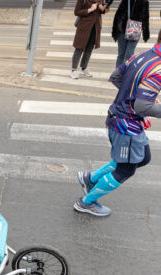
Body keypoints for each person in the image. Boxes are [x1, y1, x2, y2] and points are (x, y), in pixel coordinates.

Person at [74, 30, 161, 216]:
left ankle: (91, 179)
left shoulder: (143, 55)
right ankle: (86, 203)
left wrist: (133, 97)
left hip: (122, 120)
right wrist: (142, 102)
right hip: (126, 126)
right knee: (126, 169)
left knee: (143, 158)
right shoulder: (158, 69)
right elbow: (142, 107)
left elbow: (116, 77)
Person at [71, 0, 108, 79]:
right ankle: (73, 70)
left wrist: (103, 9)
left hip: (95, 27)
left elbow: (105, 9)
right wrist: (90, 9)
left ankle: (84, 68)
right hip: (84, 26)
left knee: (89, 48)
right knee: (79, 47)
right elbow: (76, 12)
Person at [112, 0, 149, 68]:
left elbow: (146, 18)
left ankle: (126, 75)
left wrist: (146, 33)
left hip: (135, 29)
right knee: (121, 54)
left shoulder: (144, 2)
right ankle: (117, 76)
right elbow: (118, 14)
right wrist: (115, 30)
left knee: (129, 55)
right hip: (123, 29)